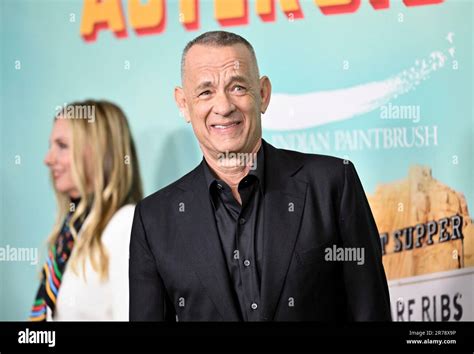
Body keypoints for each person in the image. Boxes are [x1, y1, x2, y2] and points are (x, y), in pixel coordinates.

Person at [129, 31, 392, 321]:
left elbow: (371, 312)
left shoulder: (332, 184)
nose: (224, 106)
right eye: (205, 92)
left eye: (238, 87)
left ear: (263, 94)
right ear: (183, 104)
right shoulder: (154, 219)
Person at [30, 100, 143, 321]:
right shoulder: (72, 230)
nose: (48, 159)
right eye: (50, 146)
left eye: (62, 146)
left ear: (99, 153)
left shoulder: (125, 224)